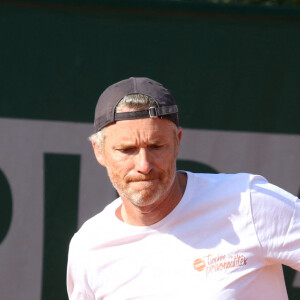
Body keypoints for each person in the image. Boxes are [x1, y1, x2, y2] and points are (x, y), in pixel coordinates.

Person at [67, 77, 300, 300]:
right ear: (99, 150)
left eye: (156, 146)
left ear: (177, 141)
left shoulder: (248, 202)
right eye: (127, 150)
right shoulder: (88, 247)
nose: (144, 165)